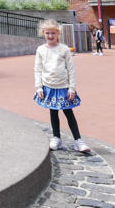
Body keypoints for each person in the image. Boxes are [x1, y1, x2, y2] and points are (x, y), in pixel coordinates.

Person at [34, 19, 91, 153]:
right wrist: (39, 87)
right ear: (43, 33)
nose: (50, 36)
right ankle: (56, 138)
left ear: (58, 33)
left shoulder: (64, 49)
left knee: (69, 112)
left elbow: (71, 69)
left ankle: (78, 140)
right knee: (53, 112)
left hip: (63, 87)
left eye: (53, 33)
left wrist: (71, 88)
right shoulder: (41, 50)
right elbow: (37, 69)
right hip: (48, 86)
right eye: (47, 33)